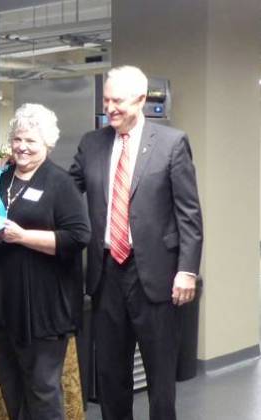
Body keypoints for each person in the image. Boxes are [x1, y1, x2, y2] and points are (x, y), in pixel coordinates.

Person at [70, 65, 203, 420]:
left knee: (161, 378)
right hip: (106, 273)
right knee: (111, 374)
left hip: (156, 278)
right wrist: (23, 168)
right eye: (106, 100)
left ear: (142, 100)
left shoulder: (172, 144)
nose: (110, 108)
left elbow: (188, 214)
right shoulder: (91, 143)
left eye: (118, 101)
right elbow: (67, 192)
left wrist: (187, 271)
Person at [0, 103, 90, 419]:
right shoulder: (0, 179)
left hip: (43, 309)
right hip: (0, 304)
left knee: (43, 393)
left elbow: (77, 237)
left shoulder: (60, 183)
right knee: (11, 388)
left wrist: (23, 237)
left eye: (31, 141)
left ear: (47, 144)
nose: (22, 147)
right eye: (18, 139)